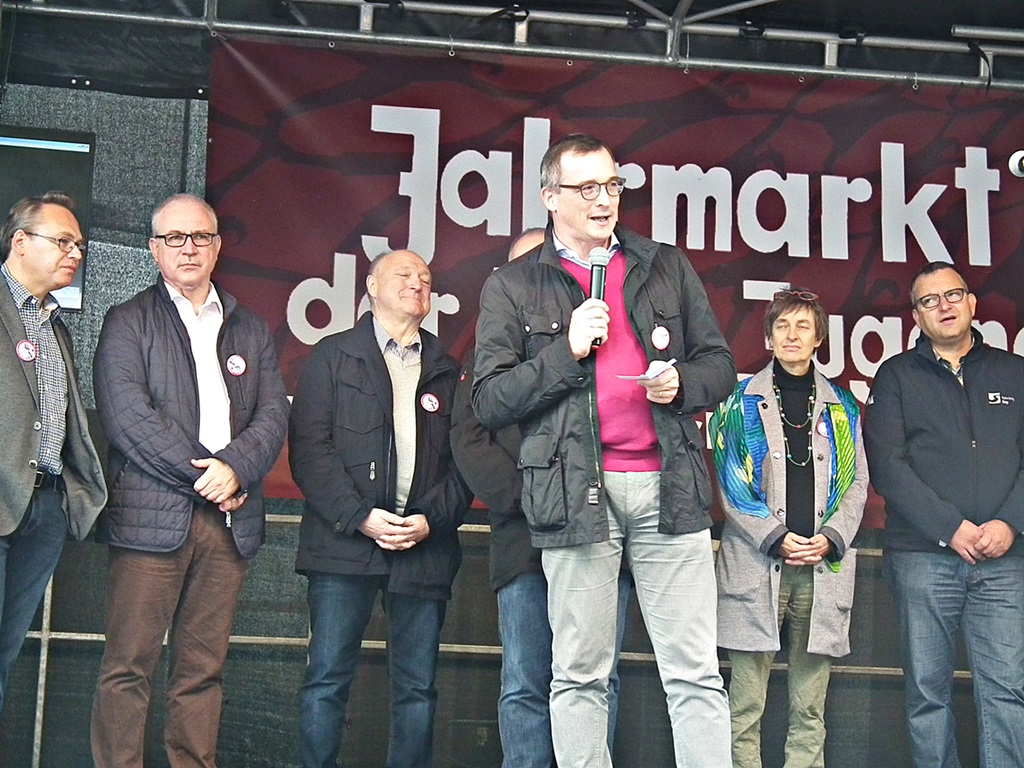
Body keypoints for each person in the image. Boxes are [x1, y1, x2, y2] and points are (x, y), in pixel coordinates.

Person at [472, 133, 735, 768]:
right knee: (580, 674)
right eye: (585, 188)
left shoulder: (664, 264)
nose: (602, 200)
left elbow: (720, 365)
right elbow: (490, 399)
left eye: (611, 185)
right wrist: (567, 353)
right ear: (549, 197)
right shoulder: (512, 286)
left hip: (667, 487)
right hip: (574, 495)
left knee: (696, 673)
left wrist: (680, 385)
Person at [90, 193, 289, 768]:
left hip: (227, 524)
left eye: (200, 237)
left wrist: (235, 470)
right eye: (174, 238)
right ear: (154, 249)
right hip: (152, 520)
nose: (188, 248)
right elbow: (128, 417)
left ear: (218, 246)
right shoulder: (128, 321)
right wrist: (208, 474)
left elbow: (273, 414)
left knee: (202, 673)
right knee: (129, 667)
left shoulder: (248, 326)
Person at [451, 228, 631, 767]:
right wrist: (535, 498)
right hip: (523, 541)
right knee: (526, 680)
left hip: (598, 533)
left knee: (598, 680)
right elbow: (470, 434)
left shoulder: (603, 340)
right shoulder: (486, 348)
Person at [289, 249, 472, 768]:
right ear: (370, 286)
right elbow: (309, 450)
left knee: (417, 688)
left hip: (423, 548)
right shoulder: (332, 355)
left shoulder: (447, 369)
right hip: (343, 543)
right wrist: (360, 516)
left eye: (425, 277)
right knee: (327, 678)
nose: (418, 282)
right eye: (404, 274)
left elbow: (464, 464)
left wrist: (428, 521)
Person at [865, 263, 1024, 768]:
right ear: (916, 316)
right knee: (927, 695)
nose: (945, 306)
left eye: (953, 294)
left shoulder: (1014, 372)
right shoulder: (895, 376)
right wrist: (950, 528)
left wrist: (1009, 523)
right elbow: (887, 466)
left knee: (1006, 693)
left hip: (1005, 558)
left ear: (972, 303)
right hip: (923, 558)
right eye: (930, 301)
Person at [711, 289, 867, 768]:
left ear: (819, 337)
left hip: (822, 569)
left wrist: (831, 539)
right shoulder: (737, 401)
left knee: (809, 708)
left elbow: (858, 483)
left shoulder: (842, 405)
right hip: (758, 568)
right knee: (744, 707)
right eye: (783, 326)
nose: (793, 335)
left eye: (803, 326)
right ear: (769, 337)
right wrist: (778, 538)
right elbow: (731, 485)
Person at [0, 192, 106, 713]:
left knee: (4, 656)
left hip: (41, 510)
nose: (76, 253)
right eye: (63, 241)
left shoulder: (53, 323)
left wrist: (67, 498)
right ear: (20, 241)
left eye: (79, 244)